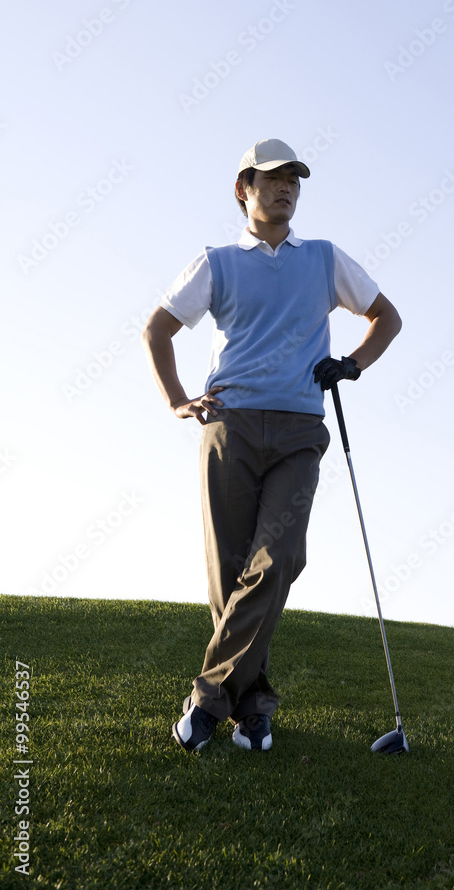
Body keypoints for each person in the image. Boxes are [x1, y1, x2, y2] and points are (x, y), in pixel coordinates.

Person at [142, 138, 401, 753]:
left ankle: (206, 701)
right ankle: (253, 709)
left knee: (278, 558)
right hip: (229, 425)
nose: (286, 189)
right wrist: (177, 400)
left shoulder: (323, 258)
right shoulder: (216, 262)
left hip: (298, 431)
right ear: (244, 191)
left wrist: (352, 364)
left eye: (294, 181)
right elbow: (157, 329)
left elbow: (386, 317)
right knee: (229, 573)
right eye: (272, 179)